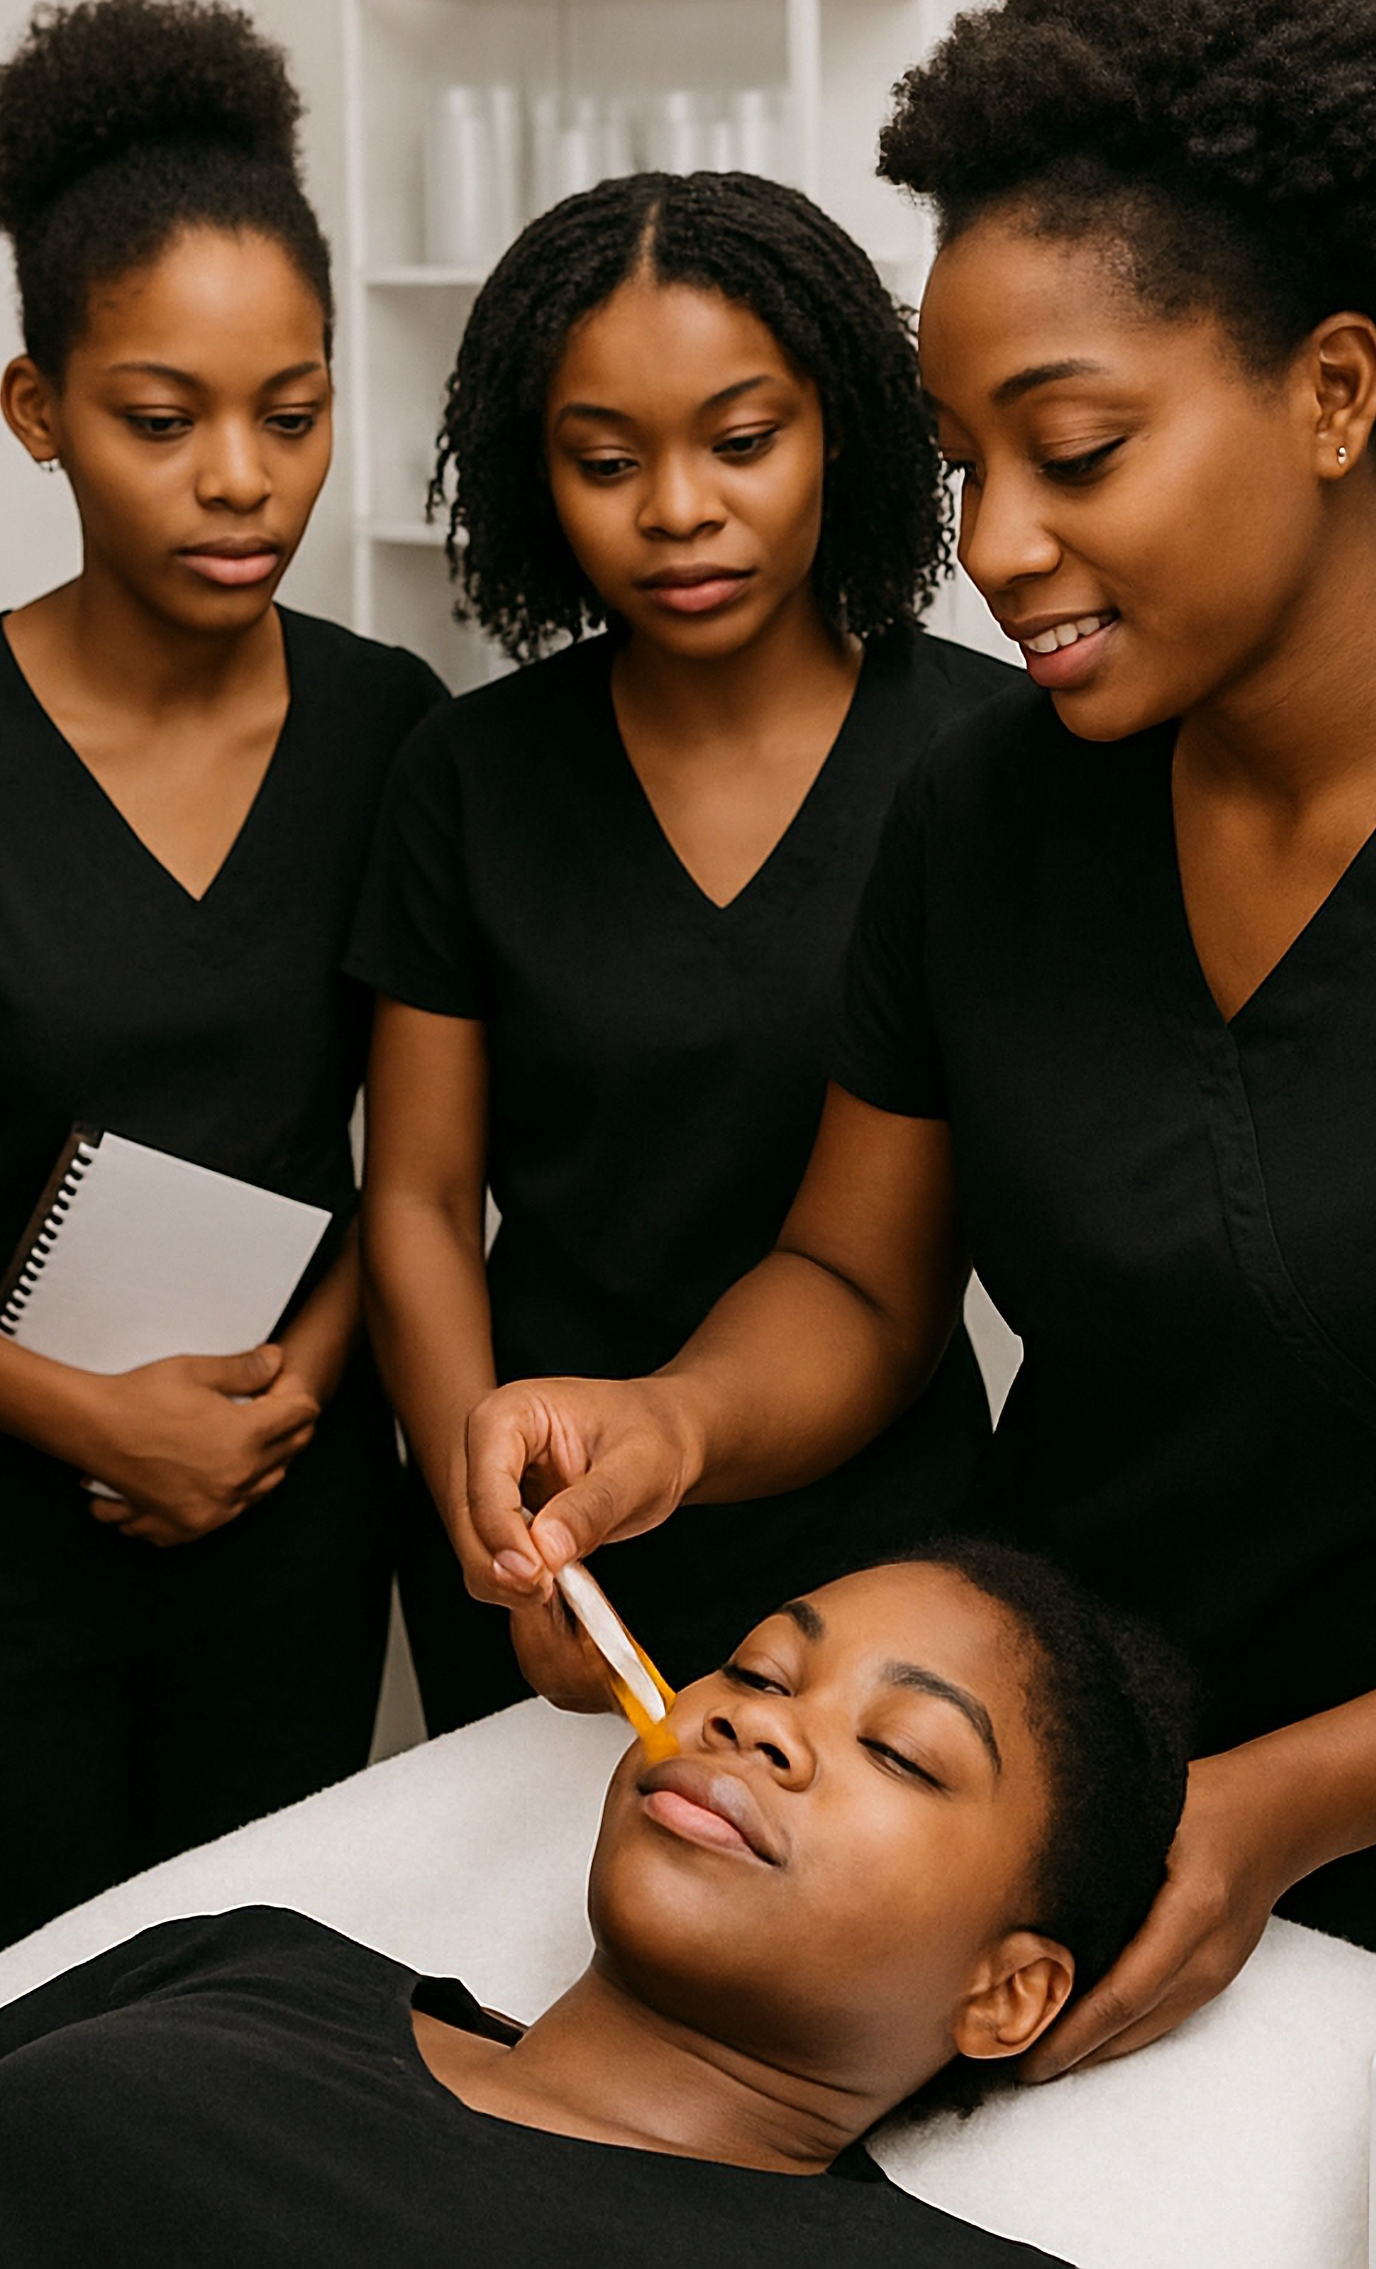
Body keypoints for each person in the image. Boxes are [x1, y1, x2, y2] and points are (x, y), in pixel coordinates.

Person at [457, 0, 1376, 2056]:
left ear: (1331, 390)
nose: (987, 540)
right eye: (962, 456)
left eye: (1071, 452)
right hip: (1063, 1816)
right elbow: (860, 1282)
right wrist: (665, 1421)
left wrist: (1272, 1809)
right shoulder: (988, 816)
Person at [0, 0, 444, 1993]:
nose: (240, 478)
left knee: (255, 2030)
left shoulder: (392, 730)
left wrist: (301, 1391)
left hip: (285, 1516)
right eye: (162, 420)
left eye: (293, 409)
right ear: (35, 409)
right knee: (30, 2046)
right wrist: (86, 1412)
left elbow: (409, 1164)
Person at [0, 1538, 1192, 2268]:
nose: (758, 1724)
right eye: (755, 1669)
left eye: (899, 1749)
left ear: (1009, 1992)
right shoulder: (242, 1964)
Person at [355, 171, 1019, 1729]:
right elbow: (423, 1200)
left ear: (840, 425)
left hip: (895, 1535)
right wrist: (505, 1533)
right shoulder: (470, 776)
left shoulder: (996, 757)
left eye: (740, 442)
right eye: (606, 460)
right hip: (548, 1528)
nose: (676, 510)